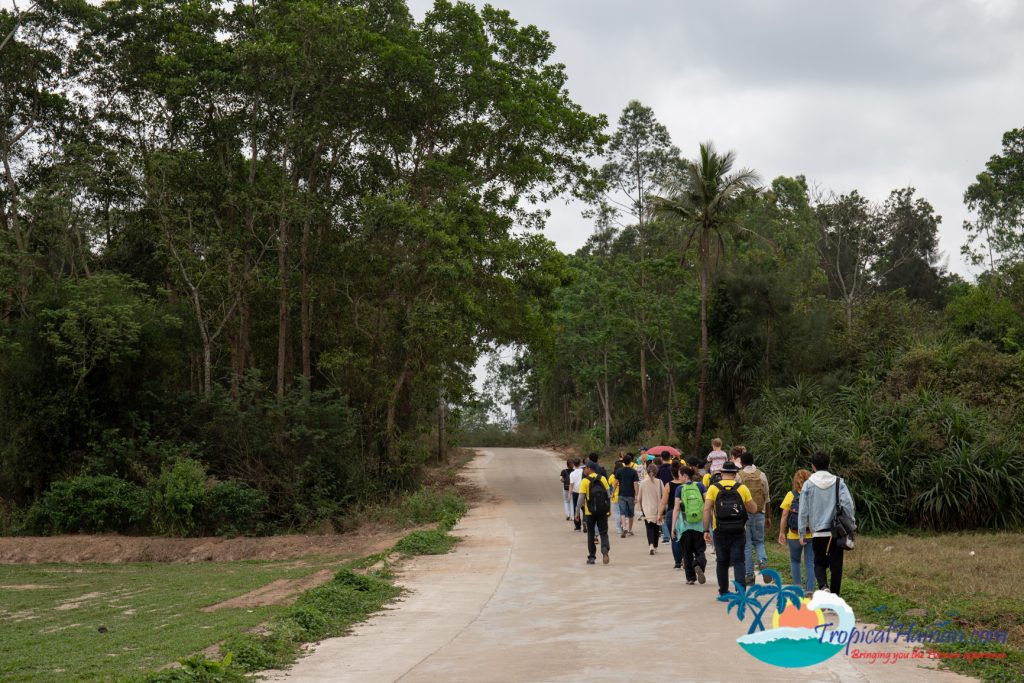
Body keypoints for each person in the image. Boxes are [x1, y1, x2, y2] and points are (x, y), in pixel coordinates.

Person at [799, 451, 856, 595]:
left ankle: (823, 586)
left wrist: (801, 532)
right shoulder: (838, 482)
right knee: (836, 566)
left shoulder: (808, 485)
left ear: (813, 466)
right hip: (836, 532)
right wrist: (851, 524)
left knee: (819, 563)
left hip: (817, 531)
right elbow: (848, 505)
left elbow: (803, 510)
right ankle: (835, 596)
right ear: (829, 464)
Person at [703, 462, 757, 596]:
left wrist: (705, 530)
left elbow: (706, 509)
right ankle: (740, 592)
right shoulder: (742, 488)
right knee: (739, 561)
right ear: (735, 474)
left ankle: (724, 591)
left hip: (719, 530)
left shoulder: (713, 488)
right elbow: (753, 509)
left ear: (721, 474)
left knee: (721, 561)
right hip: (738, 530)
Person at [737, 451, 771, 586]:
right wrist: (768, 516)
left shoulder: (739, 476)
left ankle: (749, 575)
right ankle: (763, 563)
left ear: (741, 462)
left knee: (746, 545)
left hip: (743, 515)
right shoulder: (762, 475)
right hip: (759, 512)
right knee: (759, 542)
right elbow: (767, 498)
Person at [778, 469, 815, 593]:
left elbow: (784, 515)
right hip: (811, 534)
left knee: (795, 561)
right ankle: (809, 590)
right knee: (810, 563)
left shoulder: (791, 495)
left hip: (794, 535)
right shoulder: (813, 494)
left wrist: (782, 532)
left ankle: (797, 588)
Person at [672, 466, 707, 585]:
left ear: (685, 476)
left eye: (680, 475)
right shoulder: (700, 486)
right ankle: (698, 564)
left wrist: (673, 527)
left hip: (685, 526)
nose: (679, 477)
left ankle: (691, 578)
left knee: (686, 553)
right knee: (700, 550)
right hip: (699, 526)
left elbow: (676, 509)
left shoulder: (679, 489)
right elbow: (707, 505)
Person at [575, 462, 612, 565]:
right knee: (603, 532)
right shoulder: (603, 479)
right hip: (602, 511)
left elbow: (580, 499)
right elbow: (608, 495)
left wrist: (577, 512)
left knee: (591, 534)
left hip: (589, 512)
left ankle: (592, 557)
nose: (583, 470)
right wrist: (609, 509)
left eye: (585, 468)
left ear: (589, 469)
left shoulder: (585, 481)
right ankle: (604, 549)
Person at [661, 463, 686, 569]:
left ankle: (677, 562)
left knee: (674, 537)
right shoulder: (686, 485)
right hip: (685, 513)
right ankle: (686, 557)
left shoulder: (668, 485)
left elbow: (663, 502)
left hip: (672, 512)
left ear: (672, 473)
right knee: (685, 537)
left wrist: (659, 514)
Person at [637, 463, 665, 555]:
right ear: (656, 472)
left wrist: (640, 508)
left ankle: (651, 545)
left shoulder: (643, 483)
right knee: (656, 528)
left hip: (646, 508)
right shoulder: (660, 482)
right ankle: (656, 546)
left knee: (649, 528)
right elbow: (664, 496)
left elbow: (639, 498)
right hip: (658, 508)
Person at [615, 453, 640, 538]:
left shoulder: (619, 471)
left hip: (621, 494)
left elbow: (615, 482)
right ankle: (629, 530)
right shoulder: (633, 472)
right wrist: (637, 495)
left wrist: (613, 492)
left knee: (622, 512)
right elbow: (636, 484)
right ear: (631, 462)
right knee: (630, 513)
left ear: (623, 462)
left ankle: (624, 527)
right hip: (630, 495)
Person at [655, 453, 673, 543]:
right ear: (670, 458)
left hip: (662, 495)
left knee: (663, 515)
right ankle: (674, 534)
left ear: (661, 458)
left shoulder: (658, 470)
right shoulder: (673, 468)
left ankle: (666, 537)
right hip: (673, 494)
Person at [568, 458, 584, 532]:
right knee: (584, 509)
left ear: (574, 464)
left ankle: (578, 526)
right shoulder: (583, 472)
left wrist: (569, 494)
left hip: (575, 493)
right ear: (580, 463)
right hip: (583, 492)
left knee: (576, 508)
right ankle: (585, 523)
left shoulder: (572, 474)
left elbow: (571, 484)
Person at [609, 459, 622, 535]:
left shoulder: (611, 476)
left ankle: (618, 528)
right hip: (623, 495)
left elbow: (609, 486)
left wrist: (611, 493)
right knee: (623, 513)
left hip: (615, 496)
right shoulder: (624, 475)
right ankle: (624, 526)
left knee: (617, 513)